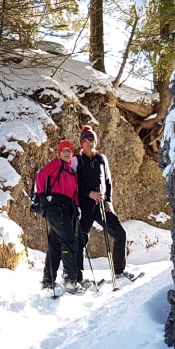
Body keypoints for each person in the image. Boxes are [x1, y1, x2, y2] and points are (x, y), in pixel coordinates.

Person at [73, 125, 128, 280]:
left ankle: (119, 272)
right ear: (81, 143)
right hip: (85, 206)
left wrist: (109, 200)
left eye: (92, 140)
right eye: (87, 140)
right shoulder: (76, 160)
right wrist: (88, 193)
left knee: (120, 233)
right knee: (81, 240)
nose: (90, 143)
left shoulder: (102, 159)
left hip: (102, 205)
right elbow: (72, 184)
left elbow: (108, 181)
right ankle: (77, 277)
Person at [36, 139, 85, 293]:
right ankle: (70, 279)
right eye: (63, 150)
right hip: (56, 207)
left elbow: (74, 193)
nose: (66, 153)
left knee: (56, 244)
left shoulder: (71, 172)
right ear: (59, 153)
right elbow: (40, 176)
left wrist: (76, 207)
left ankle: (48, 281)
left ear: (72, 154)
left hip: (67, 208)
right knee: (70, 241)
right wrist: (41, 195)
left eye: (69, 151)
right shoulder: (57, 164)